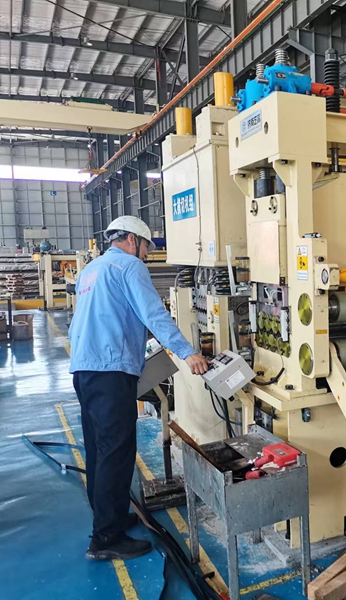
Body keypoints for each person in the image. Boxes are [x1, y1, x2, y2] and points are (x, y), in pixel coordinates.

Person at [69, 216, 208, 561]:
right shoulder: (129, 266)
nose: (146, 254)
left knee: (98, 450)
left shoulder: (91, 270)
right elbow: (154, 315)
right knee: (116, 452)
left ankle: (110, 518)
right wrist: (187, 352)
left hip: (85, 368)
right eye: (146, 247)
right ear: (132, 240)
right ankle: (106, 539)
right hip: (110, 370)